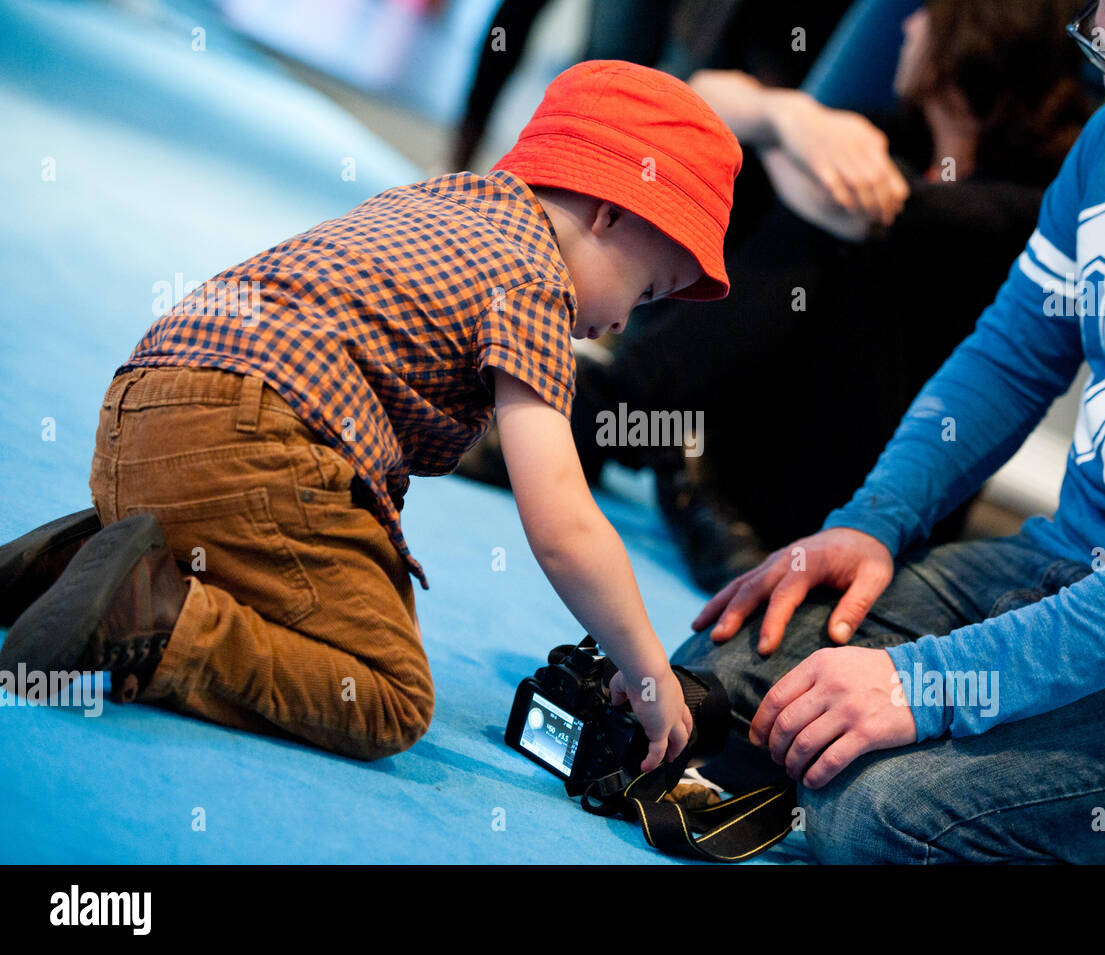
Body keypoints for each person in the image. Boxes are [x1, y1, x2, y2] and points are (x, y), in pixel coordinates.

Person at [674, 0, 1105, 863]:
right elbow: (1008, 358)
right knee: (714, 683)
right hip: (1059, 565)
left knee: (877, 818)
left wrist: (928, 685)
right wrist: (873, 520)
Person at [0, 61, 743, 768]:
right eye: (646, 294)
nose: (621, 327)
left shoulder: (441, 199)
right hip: (261, 432)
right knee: (386, 691)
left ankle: (75, 566)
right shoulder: (535, 285)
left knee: (286, 574)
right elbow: (564, 525)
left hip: (141, 407)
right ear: (612, 213)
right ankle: (151, 616)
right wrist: (648, 669)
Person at [522, 0, 1095, 590]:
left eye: (926, 13)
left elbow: (885, 212)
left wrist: (779, 140)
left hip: (863, 469)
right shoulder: (902, 137)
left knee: (814, 237)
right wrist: (790, 119)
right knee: (804, 224)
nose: (907, 25)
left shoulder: (1039, 191)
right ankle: (645, 434)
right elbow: (703, 96)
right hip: (791, 424)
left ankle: (617, 417)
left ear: (978, 35)